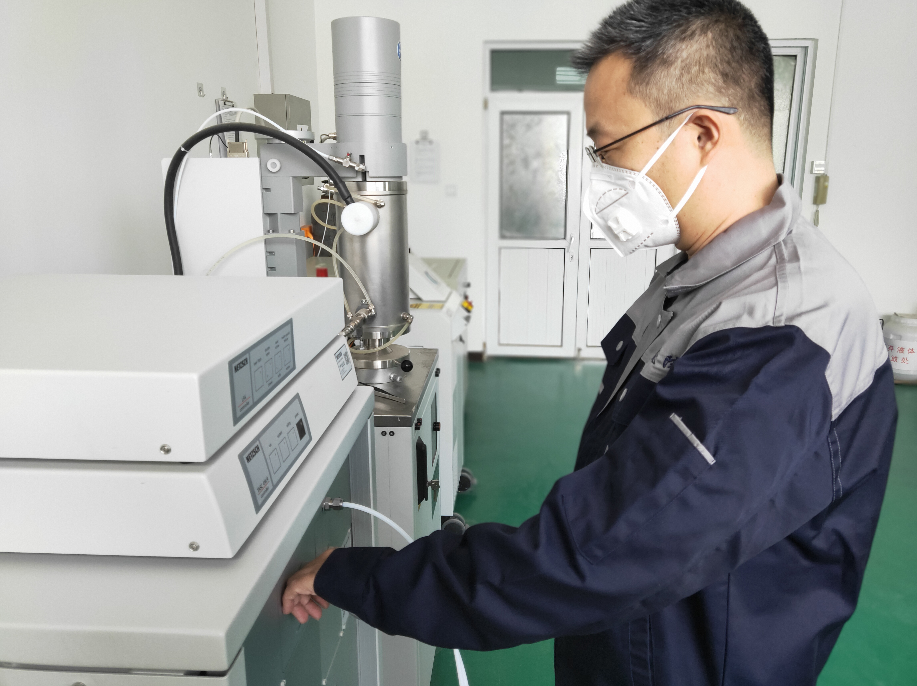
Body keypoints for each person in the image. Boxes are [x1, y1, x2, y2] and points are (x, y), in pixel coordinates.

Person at [283, 1, 897, 683]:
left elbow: (592, 557)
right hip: (648, 637)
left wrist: (357, 575)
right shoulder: (711, 278)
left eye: (609, 147)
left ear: (700, 133)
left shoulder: (778, 336)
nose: (600, 174)